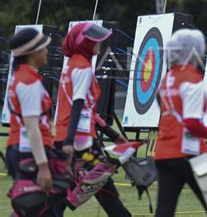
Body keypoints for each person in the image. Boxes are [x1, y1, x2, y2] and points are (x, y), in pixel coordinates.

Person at [54, 22, 131, 216]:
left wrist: (112, 134)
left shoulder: (72, 65)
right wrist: (71, 142)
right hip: (81, 143)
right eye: (94, 40)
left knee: (58, 199)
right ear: (84, 43)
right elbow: (78, 106)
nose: (99, 43)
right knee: (107, 192)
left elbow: (87, 109)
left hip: (66, 140)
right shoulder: (83, 68)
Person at [154, 28, 207, 217]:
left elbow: (179, 124)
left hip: (164, 155)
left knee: (164, 211)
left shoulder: (168, 79)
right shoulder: (192, 80)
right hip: (190, 157)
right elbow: (190, 123)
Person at [5, 28, 63, 215]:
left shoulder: (22, 78)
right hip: (28, 151)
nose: (47, 51)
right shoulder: (28, 82)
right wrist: (43, 166)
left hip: (24, 150)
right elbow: (32, 128)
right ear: (32, 53)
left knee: (34, 207)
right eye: (43, 47)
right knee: (39, 208)